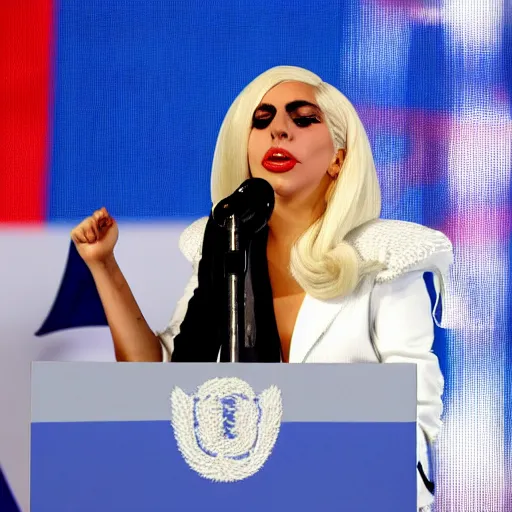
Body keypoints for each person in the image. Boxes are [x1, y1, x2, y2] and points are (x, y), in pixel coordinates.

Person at [70, 66, 453, 510]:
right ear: (246, 148)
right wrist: (104, 266)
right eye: (262, 120)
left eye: (302, 118)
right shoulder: (220, 250)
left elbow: (414, 423)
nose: (279, 131)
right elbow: (158, 384)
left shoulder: (385, 259)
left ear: (339, 157)